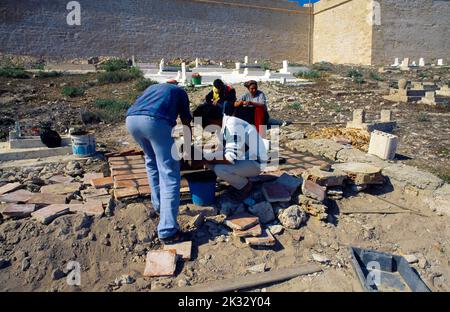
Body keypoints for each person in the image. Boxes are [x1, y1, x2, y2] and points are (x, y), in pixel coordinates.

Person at [125, 80, 192, 244]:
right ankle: (168, 230)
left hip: (132, 120)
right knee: (170, 172)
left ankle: (159, 206)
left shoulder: (152, 88)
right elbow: (185, 122)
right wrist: (189, 148)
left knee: (152, 161)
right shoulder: (180, 92)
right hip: (154, 122)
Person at [192, 103, 268, 200]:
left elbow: (229, 159)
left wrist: (205, 159)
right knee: (209, 161)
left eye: (203, 125)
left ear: (211, 121)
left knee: (220, 169)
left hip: (256, 162)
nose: (204, 129)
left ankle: (245, 186)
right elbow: (222, 149)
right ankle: (240, 179)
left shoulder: (232, 126)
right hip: (245, 158)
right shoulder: (222, 125)